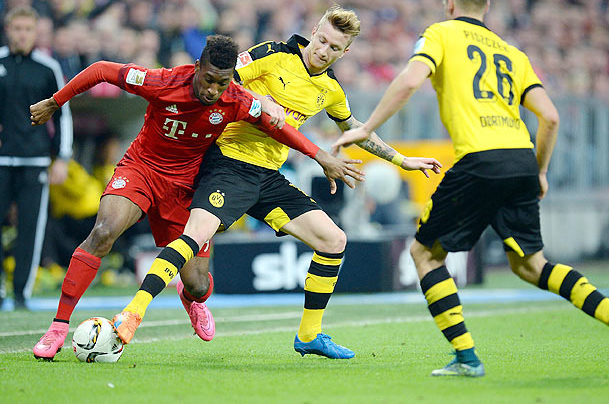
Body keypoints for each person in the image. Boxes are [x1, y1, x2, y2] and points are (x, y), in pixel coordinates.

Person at [332, 0, 609, 377]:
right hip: (520, 159)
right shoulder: (512, 53)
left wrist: (365, 127)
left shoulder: (441, 34)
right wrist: (540, 171)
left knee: (424, 253)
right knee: (531, 265)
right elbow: (549, 117)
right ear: (487, 6)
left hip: (480, 159)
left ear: (450, 3)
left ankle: (466, 358)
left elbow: (411, 79)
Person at [112, 4, 441, 359]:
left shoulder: (330, 90)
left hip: (269, 177)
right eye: (323, 40)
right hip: (227, 163)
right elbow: (222, 78)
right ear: (314, 30)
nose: (324, 50)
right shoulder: (272, 54)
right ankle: (133, 312)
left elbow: (356, 131)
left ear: (346, 52)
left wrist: (402, 160)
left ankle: (310, 334)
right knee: (193, 238)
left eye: (334, 48)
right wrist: (260, 99)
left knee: (334, 240)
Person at [30, 34, 361, 360]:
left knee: (199, 284)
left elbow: (280, 128)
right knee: (103, 232)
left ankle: (192, 299)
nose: (213, 90)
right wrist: (54, 101)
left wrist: (320, 156)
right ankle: (58, 327)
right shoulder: (163, 81)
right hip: (142, 169)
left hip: (187, 185)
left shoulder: (236, 99)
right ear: (198, 66)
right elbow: (102, 69)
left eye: (222, 82)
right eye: (209, 80)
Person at [0, 6, 72, 311]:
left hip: (35, 160)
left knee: (31, 227)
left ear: (35, 32)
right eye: (17, 28)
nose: (22, 34)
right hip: (2, 161)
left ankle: (20, 293)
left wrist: (63, 158)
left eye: (27, 29)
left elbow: (64, 114)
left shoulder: (48, 67)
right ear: (8, 30)